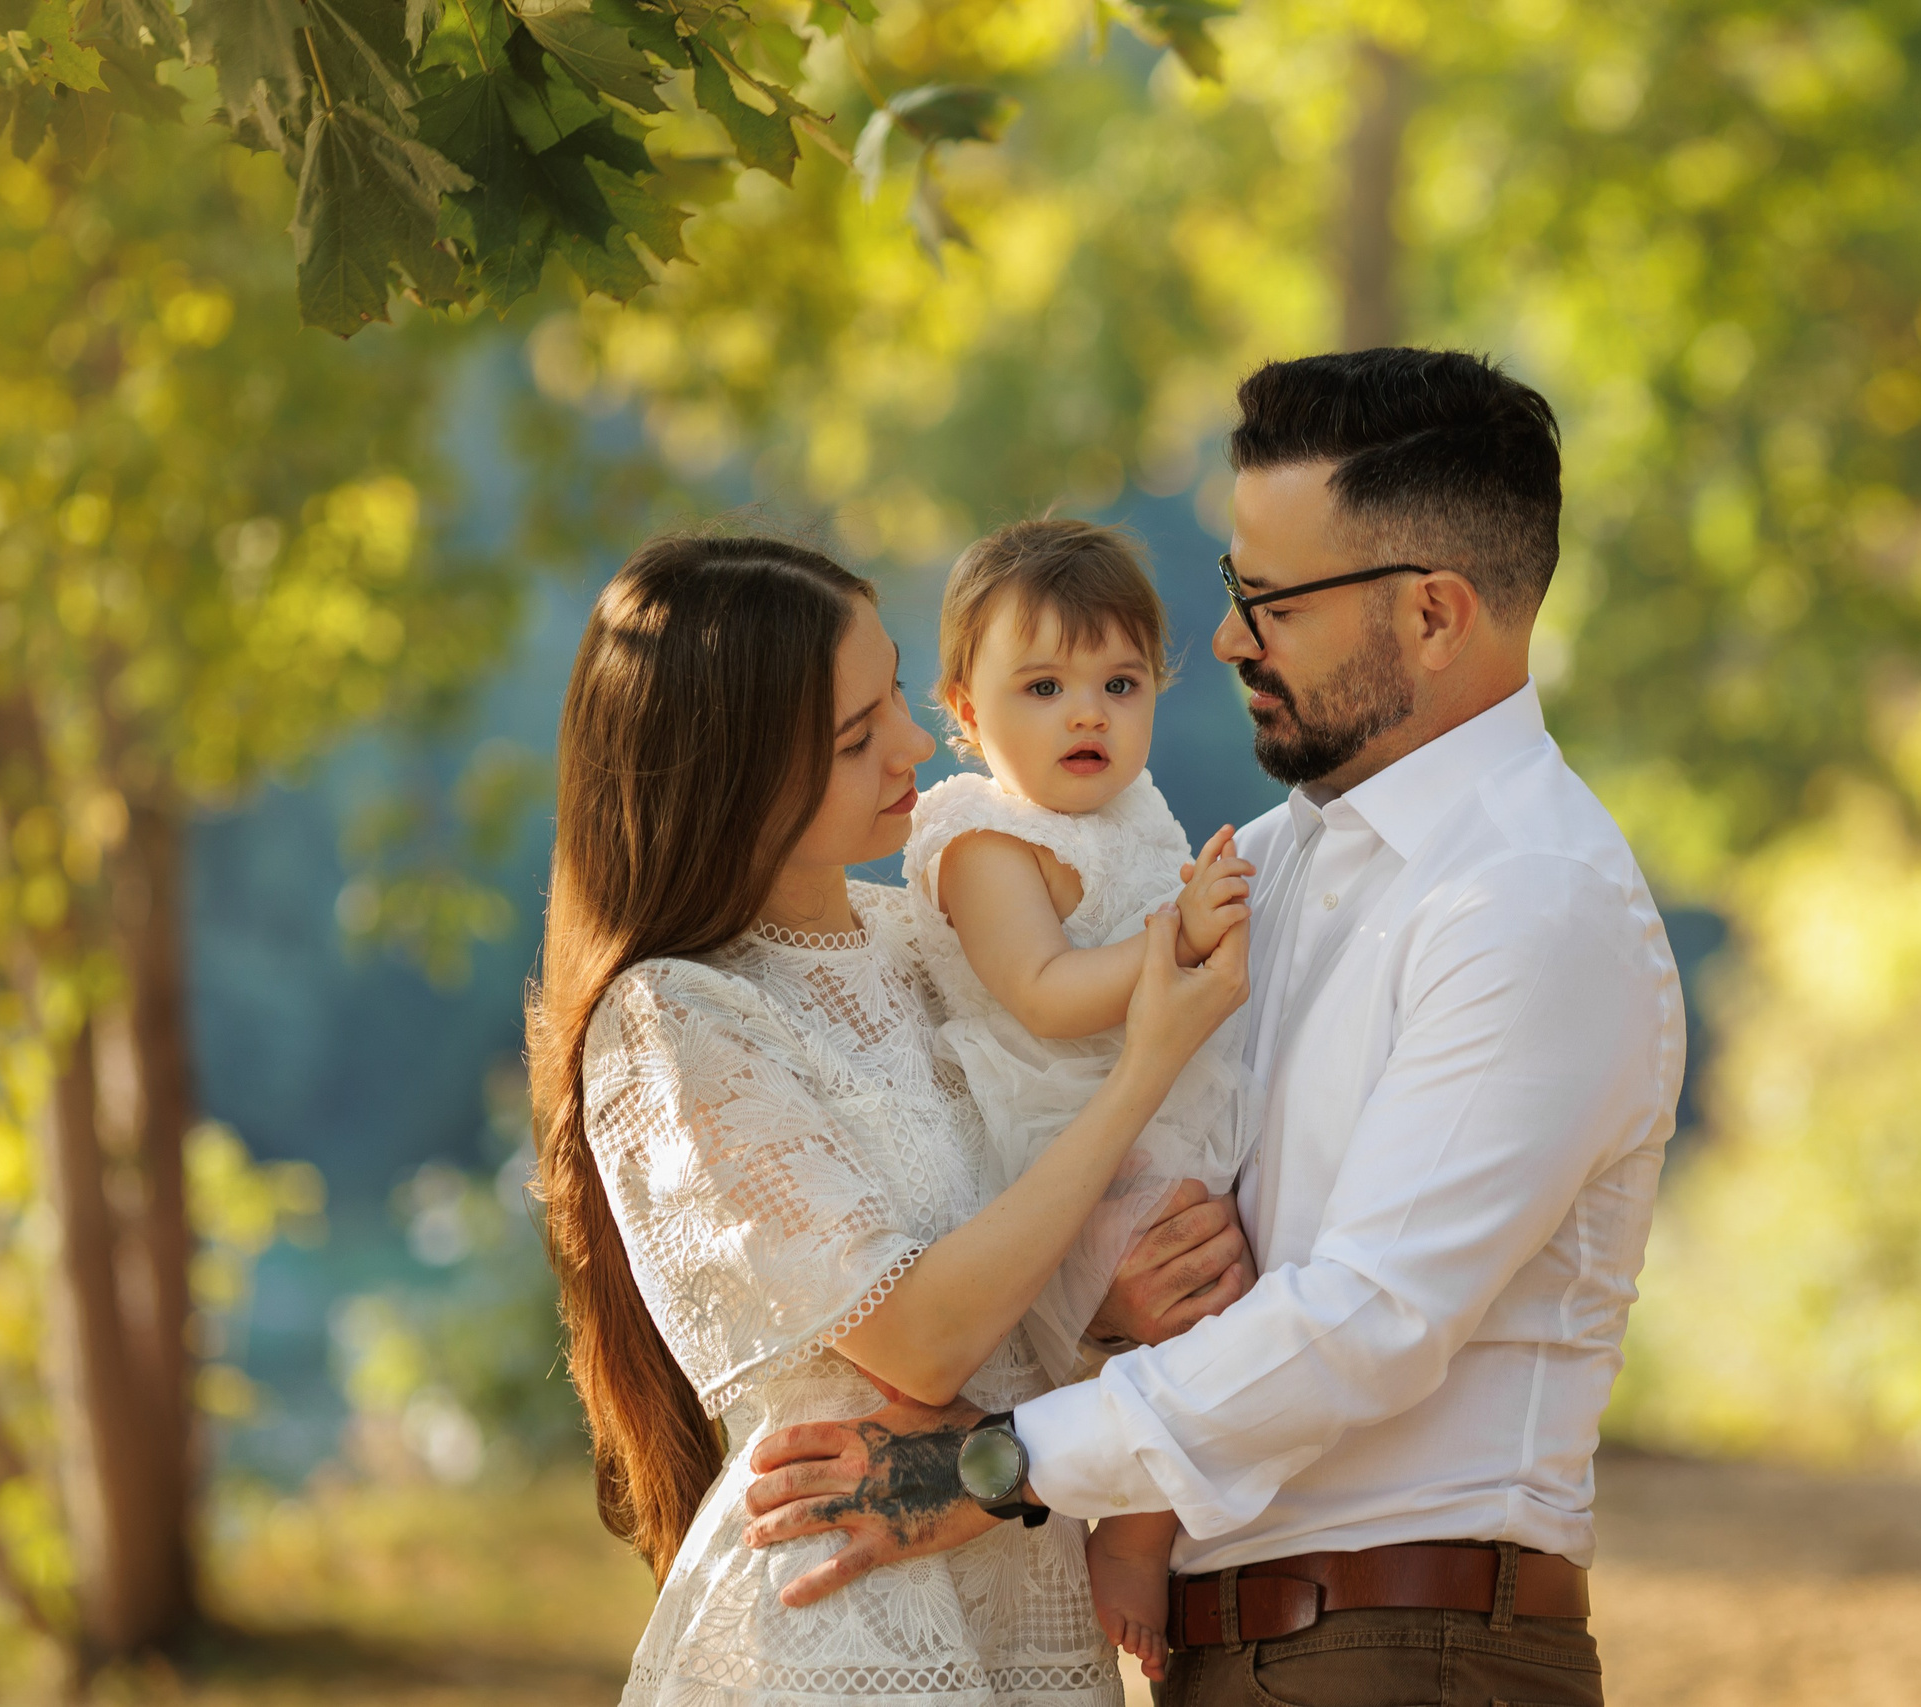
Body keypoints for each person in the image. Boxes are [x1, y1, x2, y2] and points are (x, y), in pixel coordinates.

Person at [738, 348, 1687, 1707]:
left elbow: (1368, 1317)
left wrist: (998, 1460)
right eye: (1239, 592)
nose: (1232, 640)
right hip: (1231, 1648)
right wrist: (1115, 1302)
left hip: (1406, 1649)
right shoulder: (1271, 866)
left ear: (1434, 614)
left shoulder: (1530, 900)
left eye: (1273, 603)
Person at [525, 535, 1248, 1707]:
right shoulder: (676, 1020)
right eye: (857, 737)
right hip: (844, 1616)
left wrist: (1111, 1301)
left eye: (898, 696)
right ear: (737, 776)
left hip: (1021, 1567)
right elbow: (922, 1340)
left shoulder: (934, 935)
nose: (916, 743)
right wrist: (1145, 1069)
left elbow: (1020, 1258)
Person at [902, 517, 1263, 1678]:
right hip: (1056, 1137)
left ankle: (1143, 1515)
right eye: (1043, 686)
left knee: (1231, 1282)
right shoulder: (980, 838)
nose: (1087, 714)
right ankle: (1135, 1538)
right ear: (966, 711)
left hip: (1156, 1110)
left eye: (1119, 683)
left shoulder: (1133, 813)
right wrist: (1176, 936)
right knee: (1198, 1304)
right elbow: (1047, 991)